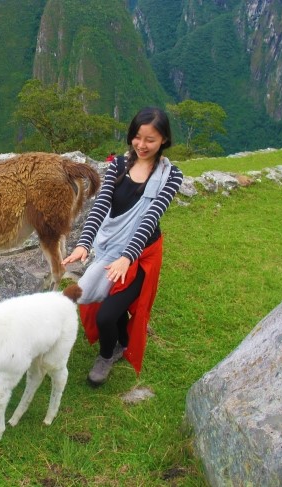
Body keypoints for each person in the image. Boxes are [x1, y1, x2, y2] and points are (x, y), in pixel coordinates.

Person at [62, 107, 183, 386]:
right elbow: (101, 205)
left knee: (106, 313)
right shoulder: (118, 165)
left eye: (150, 139)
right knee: (99, 296)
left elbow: (150, 218)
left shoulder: (171, 176)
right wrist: (84, 244)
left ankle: (109, 353)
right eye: (137, 137)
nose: (142, 145)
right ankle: (122, 338)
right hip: (109, 249)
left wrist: (128, 257)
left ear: (164, 139)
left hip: (141, 255)